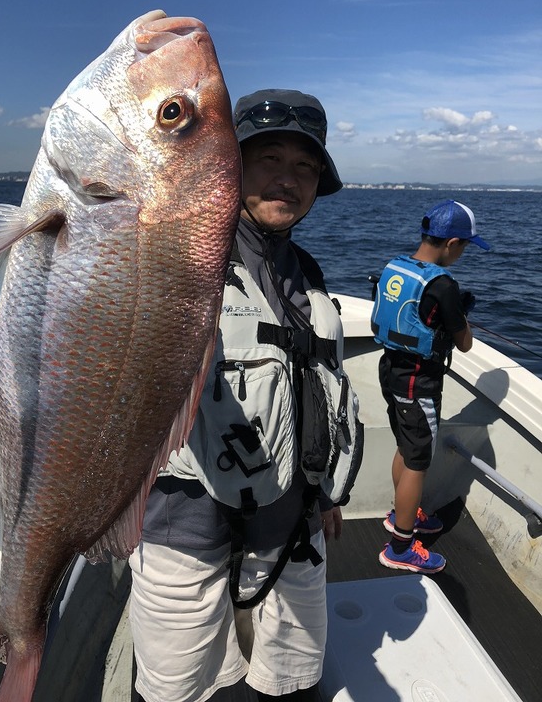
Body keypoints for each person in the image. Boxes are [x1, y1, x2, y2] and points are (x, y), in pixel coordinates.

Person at [128, 89, 363, 702]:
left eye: (305, 167)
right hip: (183, 535)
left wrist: (324, 488)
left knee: (291, 685)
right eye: (269, 159)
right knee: (182, 691)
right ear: (229, 164)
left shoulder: (306, 274)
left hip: (295, 530)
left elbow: (316, 387)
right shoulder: (174, 259)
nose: (288, 180)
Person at [370, 199, 490, 573]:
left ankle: (401, 515)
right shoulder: (443, 285)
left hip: (390, 369)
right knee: (419, 462)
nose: (463, 254)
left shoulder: (397, 266)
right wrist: (461, 314)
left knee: (407, 450)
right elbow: (464, 342)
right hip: (417, 382)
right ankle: (401, 547)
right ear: (452, 243)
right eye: (465, 247)